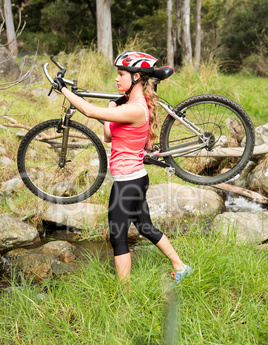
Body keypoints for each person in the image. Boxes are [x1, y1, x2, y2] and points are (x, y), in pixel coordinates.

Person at [53, 50, 192, 284]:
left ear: (136, 77)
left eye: (121, 74)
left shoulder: (136, 108)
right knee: (145, 226)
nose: (117, 79)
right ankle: (180, 266)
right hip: (134, 179)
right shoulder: (130, 104)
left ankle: (124, 294)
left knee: (118, 238)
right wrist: (111, 106)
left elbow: (88, 111)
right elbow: (108, 135)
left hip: (128, 182)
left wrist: (63, 90)